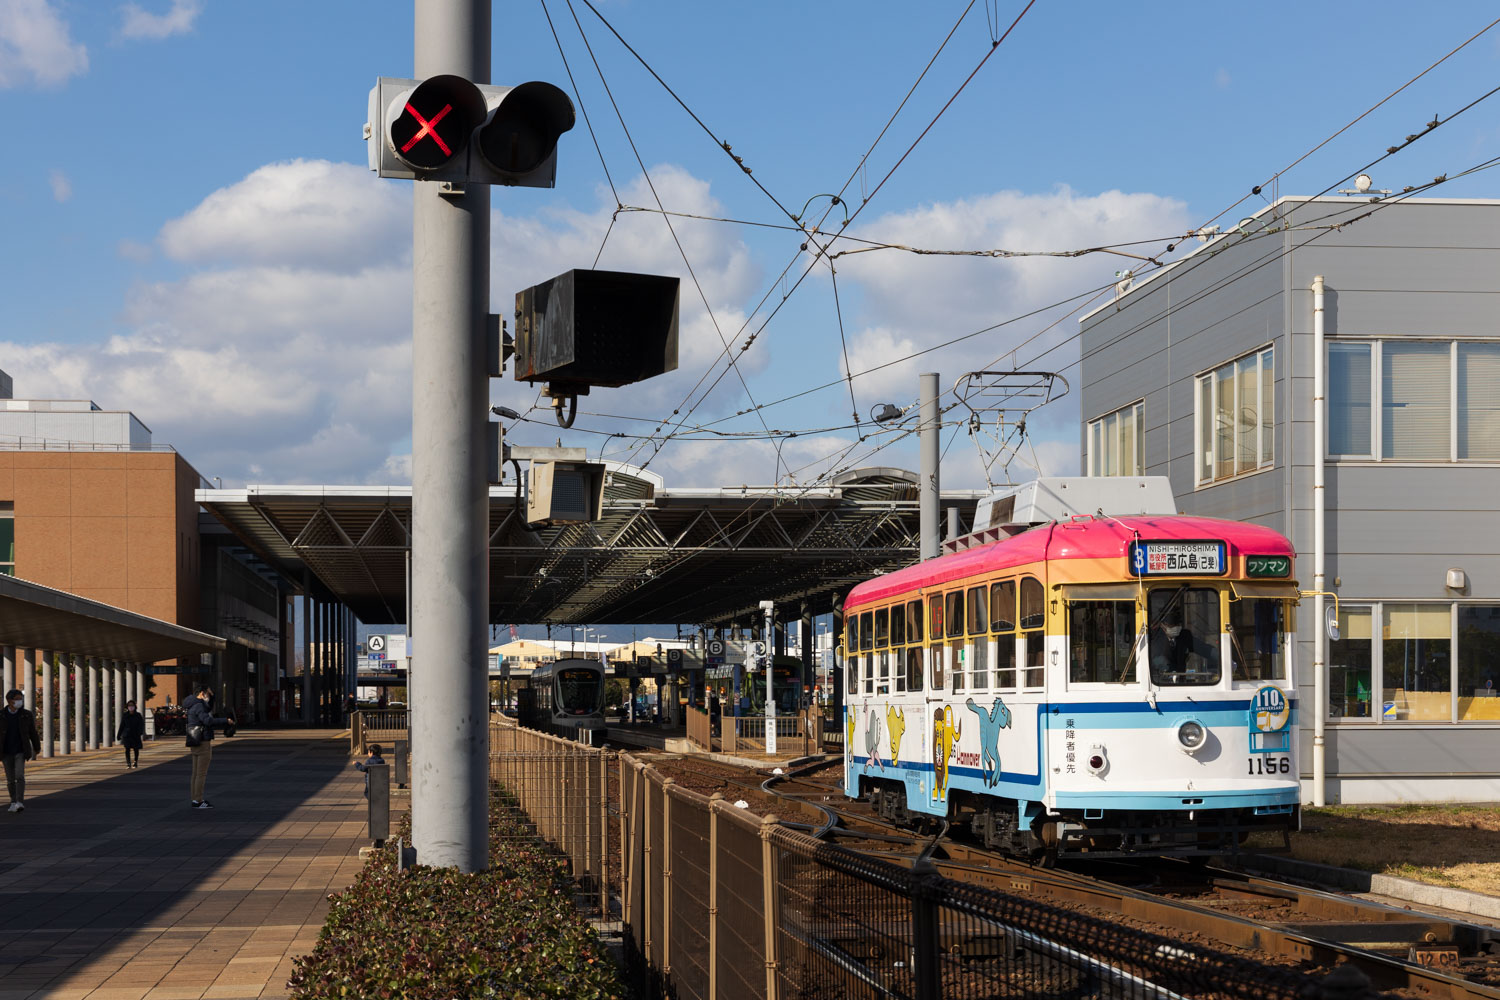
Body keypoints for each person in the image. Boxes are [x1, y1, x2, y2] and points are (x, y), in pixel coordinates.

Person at [183, 685, 233, 809]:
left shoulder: (192, 704)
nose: (208, 697)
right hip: (202, 741)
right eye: (208, 694)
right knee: (201, 774)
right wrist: (225, 721)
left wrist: (213, 696)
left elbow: (208, 707)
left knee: (195, 773)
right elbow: (208, 721)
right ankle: (199, 800)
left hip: (194, 741)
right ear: (202, 693)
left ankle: (195, 799)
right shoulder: (199, 706)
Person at [1, 689, 41, 813]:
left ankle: (19, 801)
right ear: (10, 700)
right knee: (10, 779)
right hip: (5, 751)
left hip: (20, 750)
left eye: (20, 698)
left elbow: (32, 732)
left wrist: (36, 746)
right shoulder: (1, 715)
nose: (20, 701)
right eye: (17, 699)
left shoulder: (26, 714)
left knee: (19, 775)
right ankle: (13, 801)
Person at [117, 699, 145, 769]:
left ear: (135, 707)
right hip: (127, 735)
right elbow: (122, 725)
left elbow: (141, 725)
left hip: (135, 734)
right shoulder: (125, 715)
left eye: (132, 706)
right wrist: (119, 734)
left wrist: (140, 732)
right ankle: (128, 763)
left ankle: (135, 762)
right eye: (129, 706)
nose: (131, 707)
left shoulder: (138, 715)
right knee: (127, 749)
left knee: (136, 749)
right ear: (127, 707)